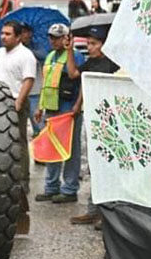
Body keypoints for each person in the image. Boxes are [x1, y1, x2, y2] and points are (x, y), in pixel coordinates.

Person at [70, 23, 120, 227]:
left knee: (107, 166)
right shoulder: (89, 64)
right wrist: (69, 50)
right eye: (88, 43)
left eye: (93, 44)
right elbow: (75, 75)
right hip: (90, 117)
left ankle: (106, 213)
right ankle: (93, 209)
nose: (89, 47)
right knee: (93, 164)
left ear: (103, 44)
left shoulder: (112, 64)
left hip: (107, 120)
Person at [34, 23, 86, 203]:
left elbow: (81, 81)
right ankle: (51, 187)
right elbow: (46, 82)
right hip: (51, 107)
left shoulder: (75, 56)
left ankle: (69, 189)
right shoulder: (49, 57)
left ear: (66, 38)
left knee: (70, 149)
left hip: (68, 108)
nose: (53, 40)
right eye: (51, 37)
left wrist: (78, 105)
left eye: (57, 37)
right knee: (52, 148)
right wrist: (40, 107)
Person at [0, 22, 37, 192]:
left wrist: (18, 102)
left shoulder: (26, 55)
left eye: (8, 34)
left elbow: (29, 80)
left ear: (18, 37)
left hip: (15, 100)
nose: (3, 37)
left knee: (19, 141)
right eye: (2, 33)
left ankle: (23, 179)